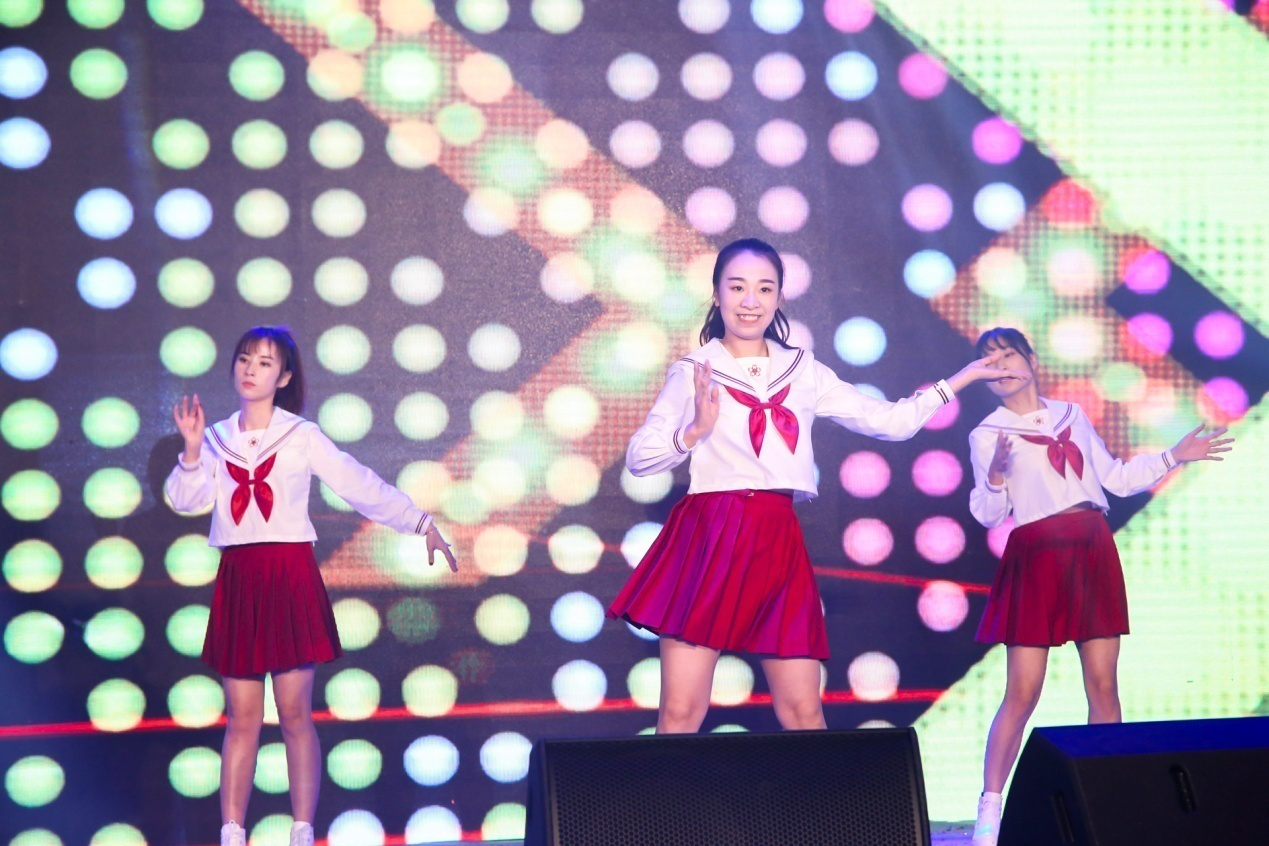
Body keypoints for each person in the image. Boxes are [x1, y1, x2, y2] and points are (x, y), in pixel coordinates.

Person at [607, 237, 1031, 735]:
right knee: (681, 713)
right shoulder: (694, 372)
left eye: (764, 288)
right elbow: (639, 459)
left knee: (804, 714)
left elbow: (890, 422)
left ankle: (820, 793)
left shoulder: (803, 370)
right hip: (709, 535)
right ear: (717, 295)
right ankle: (665, 792)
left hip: (776, 538)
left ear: (779, 297)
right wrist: (694, 431)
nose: (750, 301)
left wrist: (960, 379)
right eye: (737, 287)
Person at [165, 326, 457, 846]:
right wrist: (190, 450)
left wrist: (419, 522)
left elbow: (356, 483)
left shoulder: (300, 434)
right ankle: (232, 834)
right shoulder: (215, 438)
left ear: (284, 377)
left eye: (264, 362)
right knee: (242, 718)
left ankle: (302, 833)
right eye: (245, 359)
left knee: (295, 714)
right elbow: (186, 500)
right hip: (240, 579)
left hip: (289, 574)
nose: (251, 369)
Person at [965, 326, 1233, 846]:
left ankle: (1109, 799)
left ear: (1032, 360)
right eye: (989, 363)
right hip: (1037, 553)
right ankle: (989, 811)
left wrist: (1173, 456)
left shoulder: (1072, 413)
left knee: (1104, 684)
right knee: (1022, 690)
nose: (1001, 368)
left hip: (1090, 546)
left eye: (1009, 356)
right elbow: (988, 513)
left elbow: (1115, 478)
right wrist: (995, 476)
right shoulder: (987, 433)